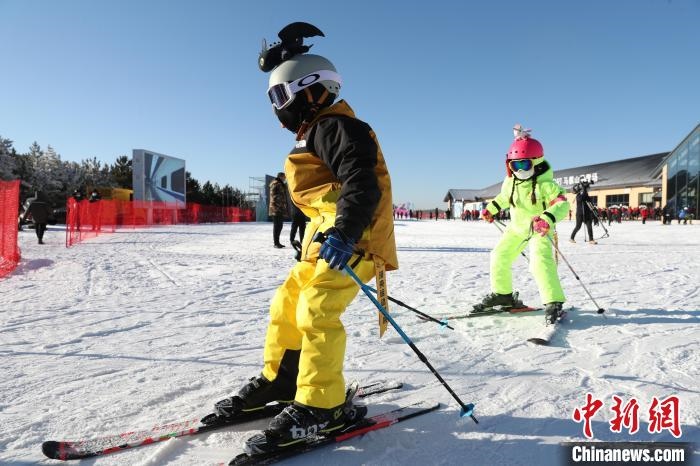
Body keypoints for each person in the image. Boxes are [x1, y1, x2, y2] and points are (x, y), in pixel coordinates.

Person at [212, 22, 398, 454]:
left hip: (355, 240)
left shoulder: (337, 128)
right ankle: (284, 377)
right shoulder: (320, 132)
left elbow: (362, 185)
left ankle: (323, 405)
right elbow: (325, 199)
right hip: (328, 241)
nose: (277, 111)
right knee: (288, 301)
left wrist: (346, 234)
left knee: (317, 310)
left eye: (280, 97)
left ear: (310, 89)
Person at [478, 124, 569, 324]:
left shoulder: (546, 184)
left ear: (536, 162)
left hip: (540, 229)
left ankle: (553, 301)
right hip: (517, 227)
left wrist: (547, 218)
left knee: (539, 262)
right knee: (499, 256)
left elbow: (562, 204)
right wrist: (491, 209)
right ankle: (503, 295)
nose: (520, 170)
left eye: (524, 165)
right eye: (515, 165)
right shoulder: (510, 182)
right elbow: (503, 198)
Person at [268, 172, 289, 248]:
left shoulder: (280, 183)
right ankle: (276, 243)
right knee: (277, 226)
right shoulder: (276, 183)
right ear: (280, 176)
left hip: (279, 207)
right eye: (284, 177)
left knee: (279, 226)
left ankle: (277, 242)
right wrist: (279, 204)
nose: (285, 179)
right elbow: (274, 195)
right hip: (276, 208)